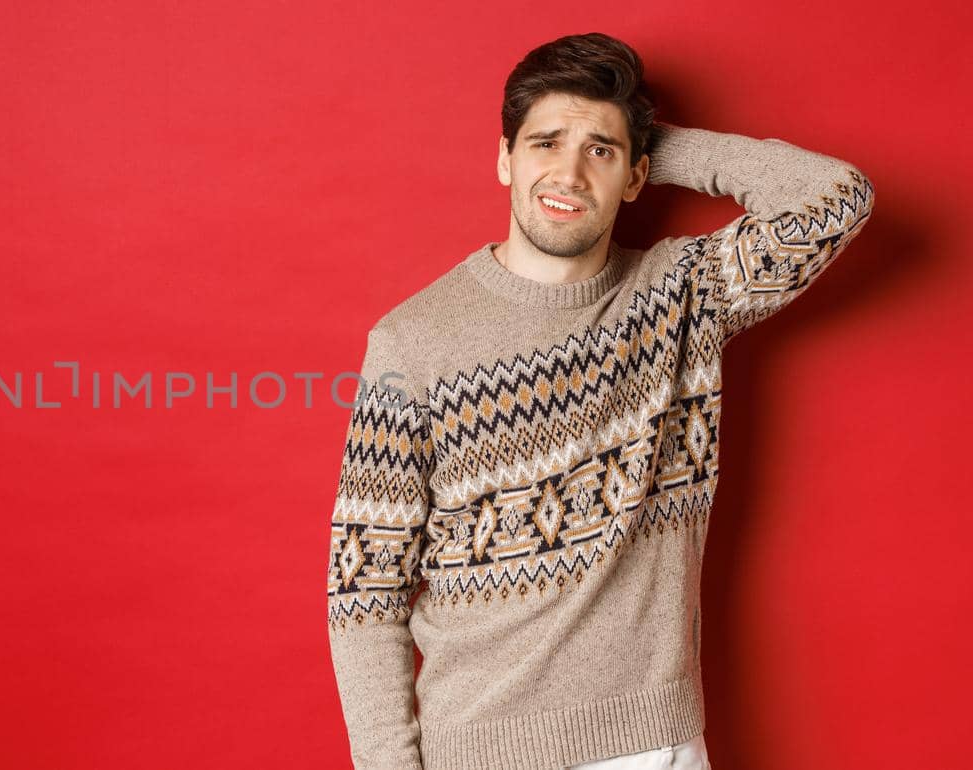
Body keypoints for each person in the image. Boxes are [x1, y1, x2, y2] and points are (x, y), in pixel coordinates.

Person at [324, 32, 874, 770]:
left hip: (651, 746)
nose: (569, 171)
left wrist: (650, 143)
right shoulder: (410, 344)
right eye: (544, 143)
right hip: (478, 749)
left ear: (638, 175)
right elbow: (366, 587)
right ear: (504, 157)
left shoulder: (684, 294)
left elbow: (837, 198)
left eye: (600, 152)